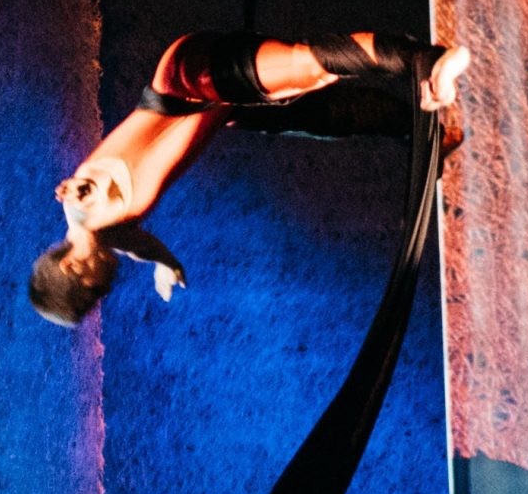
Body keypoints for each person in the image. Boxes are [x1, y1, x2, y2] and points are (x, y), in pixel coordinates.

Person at [29, 28, 469, 325]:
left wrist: (80, 186)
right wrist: (169, 267)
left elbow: (88, 186)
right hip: (221, 109)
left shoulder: (82, 207)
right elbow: (142, 248)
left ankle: (429, 62)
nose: (105, 289)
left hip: (193, 80)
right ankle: (423, 132)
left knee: (309, 67)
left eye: (93, 291)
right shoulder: (110, 235)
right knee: (326, 118)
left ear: (71, 266)